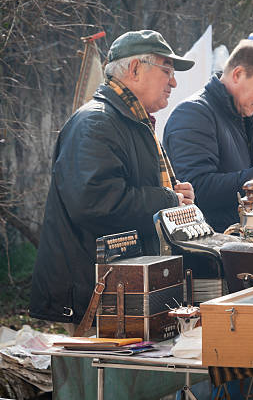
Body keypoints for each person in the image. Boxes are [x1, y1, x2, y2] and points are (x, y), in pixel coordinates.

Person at [29, 30, 196, 333]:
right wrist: (168, 200)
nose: (173, 82)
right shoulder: (95, 122)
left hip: (121, 290)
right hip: (96, 297)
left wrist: (176, 198)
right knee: (100, 381)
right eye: (167, 71)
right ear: (134, 69)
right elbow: (95, 203)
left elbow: (141, 192)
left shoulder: (133, 122)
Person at [163, 39, 253, 233]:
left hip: (247, 247)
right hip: (210, 252)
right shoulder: (193, 114)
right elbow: (196, 190)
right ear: (238, 74)